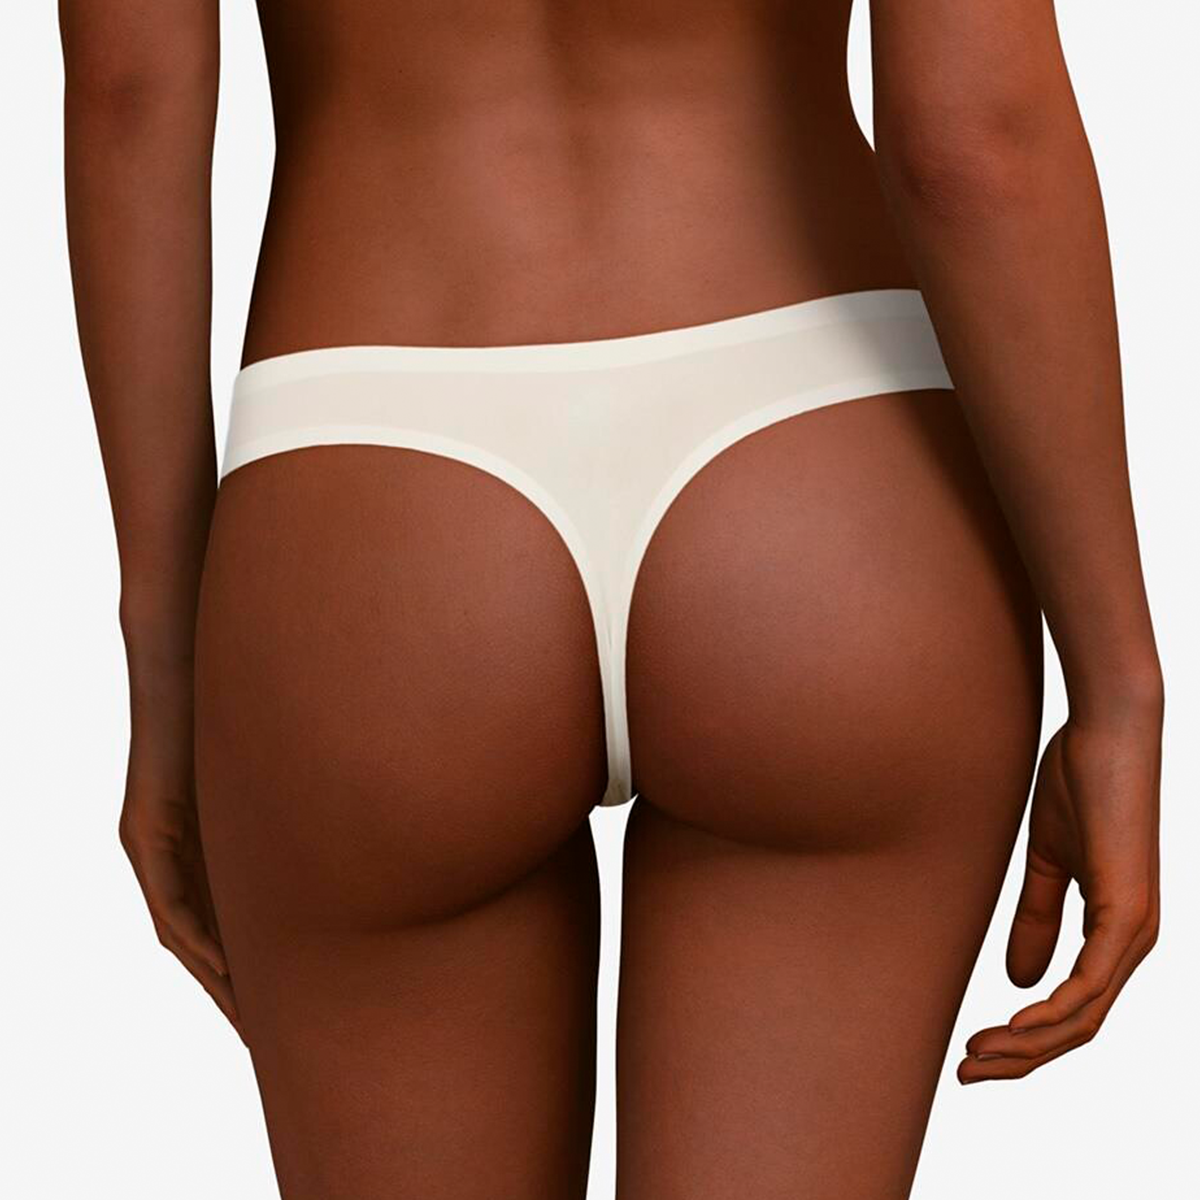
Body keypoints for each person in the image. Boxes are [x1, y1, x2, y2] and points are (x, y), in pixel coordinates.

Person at [60, 1, 1162, 1196]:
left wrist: (169, 673)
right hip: (820, 486)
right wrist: (1116, 686)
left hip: (380, 510)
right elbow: (973, 140)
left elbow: (130, 98)